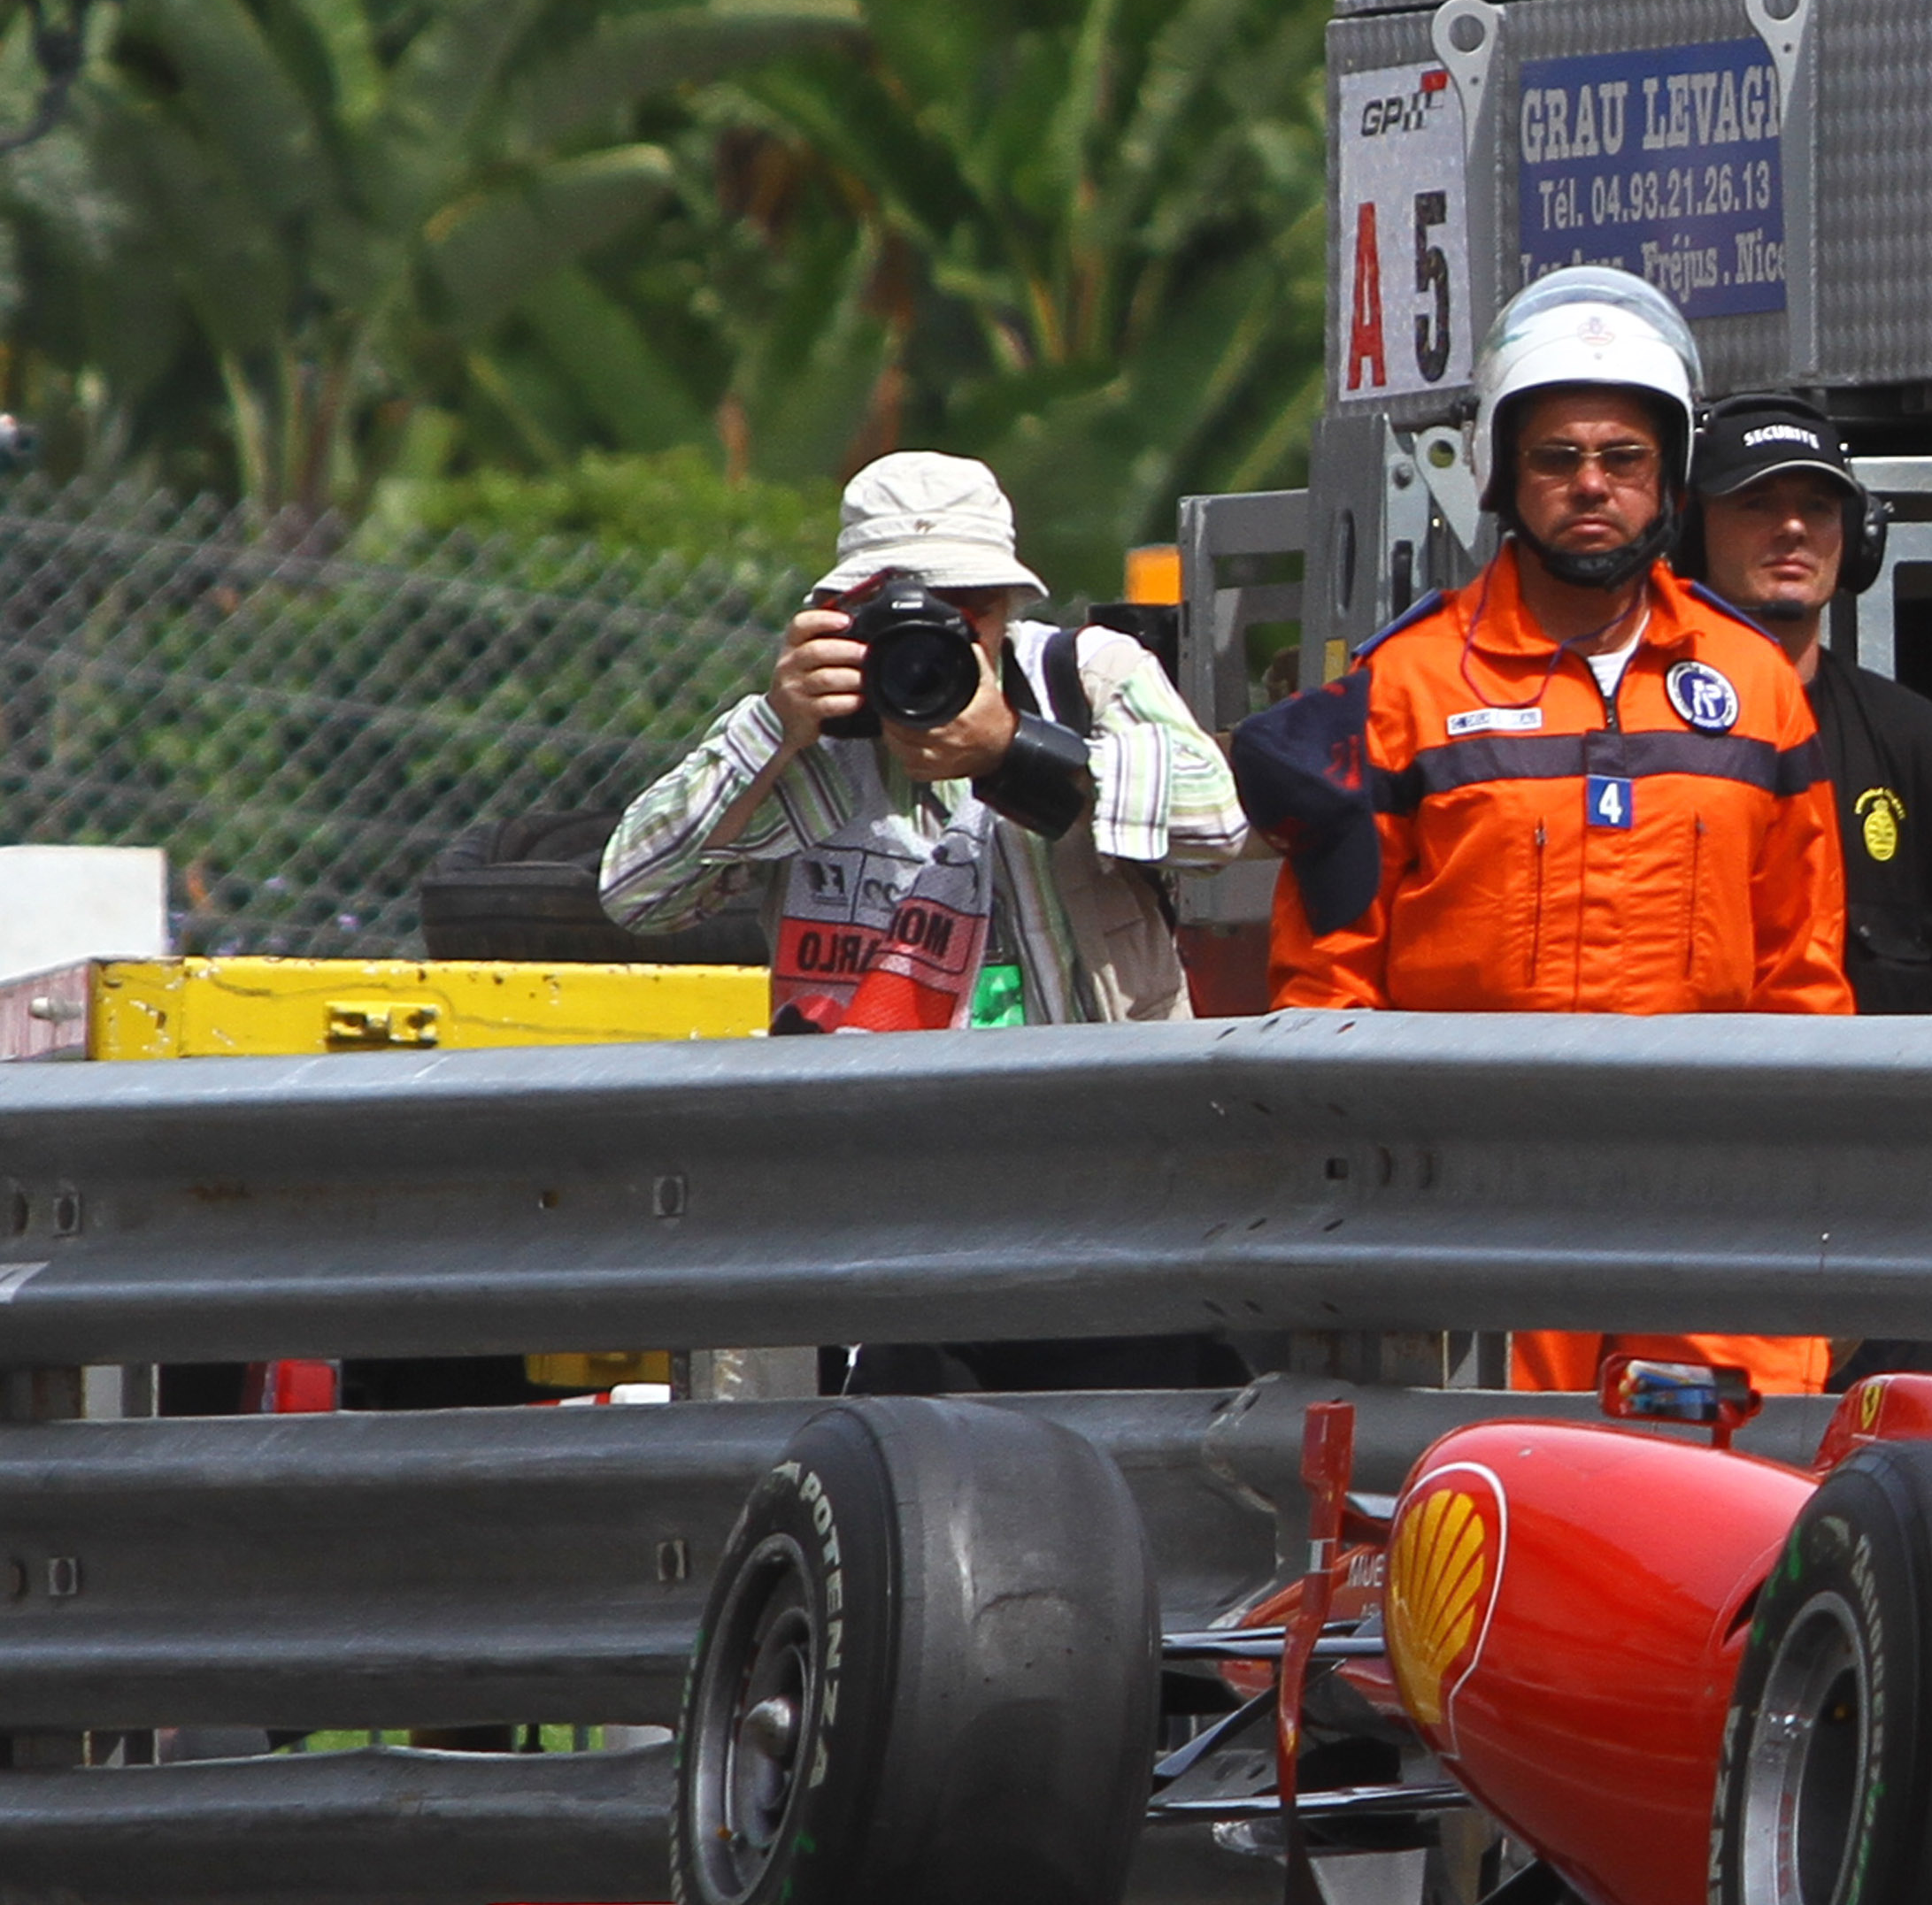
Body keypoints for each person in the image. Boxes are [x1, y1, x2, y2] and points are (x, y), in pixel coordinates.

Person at [1231, 265, 1851, 1396]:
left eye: (1624, 460)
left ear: (1667, 480)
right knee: (1485, 1519)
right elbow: (1327, 979)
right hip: (1469, 1194)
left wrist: (1801, 1182)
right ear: (1502, 475)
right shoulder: (1404, 688)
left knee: (1728, 1517)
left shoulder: (1758, 687)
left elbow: (1803, 969)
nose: (1591, 487)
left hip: (1708, 1195)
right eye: (1557, 460)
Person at [601, 449, 1243, 1031]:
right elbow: (637, 897)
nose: (934, 642)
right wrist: (771, 731)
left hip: (1078, 1107)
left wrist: (1016, 748)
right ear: (845, 612)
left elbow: (1219, 825)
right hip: (869, 1116)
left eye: (967, 610)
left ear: (1010, 606)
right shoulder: (809, 724)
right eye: (899, 612)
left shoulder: (1084, 676)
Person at [1681, 391, 1932, 1016]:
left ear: (1857, 538)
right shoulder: (1645, 723)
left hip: (1869, 1110)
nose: (1793, 527)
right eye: (1757, 503)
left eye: (1818, 507)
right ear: (1689, 532)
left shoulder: (1907, 732)